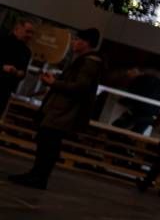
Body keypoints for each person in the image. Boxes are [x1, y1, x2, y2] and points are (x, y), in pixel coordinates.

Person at [8, 28, 104, 190]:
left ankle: (39, 177)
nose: (73, 43)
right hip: (60, 109)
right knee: (46, 142)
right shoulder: (83, 60)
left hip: (64, 111)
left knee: (49, 144)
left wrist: (54, 83)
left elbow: (80, 87)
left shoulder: (89, 62)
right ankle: (36, 174)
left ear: (85, 43)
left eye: (77, 40)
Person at [0, 19, 34, 111]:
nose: (30, 35)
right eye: (27, 32)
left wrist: (17, 73)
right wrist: (3, 67)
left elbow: (23, 72)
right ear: (17, 29)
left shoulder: (27, 52)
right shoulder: (2, 41)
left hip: (5, 91)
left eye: (32, 33)